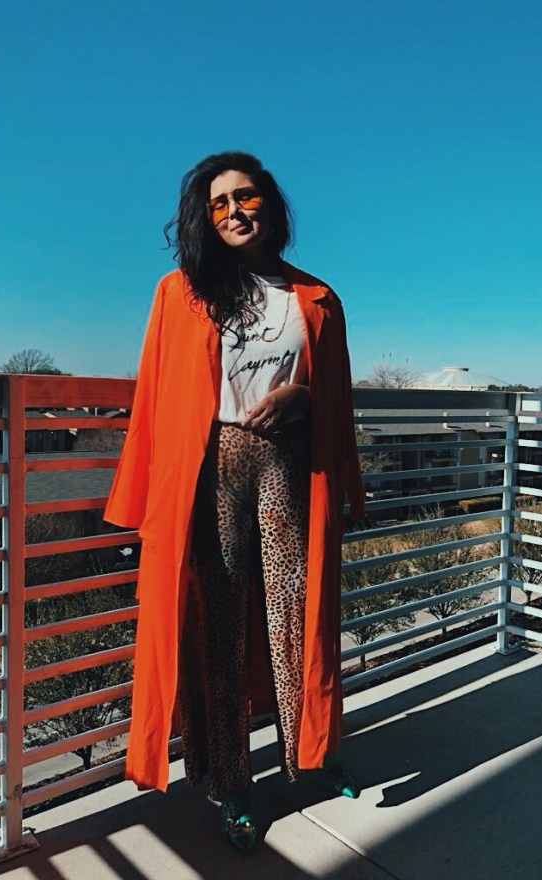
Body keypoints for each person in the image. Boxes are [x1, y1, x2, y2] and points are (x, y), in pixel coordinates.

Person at [104, 151, 364, 853]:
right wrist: (137, 504)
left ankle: (316, 749)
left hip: (292, 463)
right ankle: (234, 783)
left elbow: (336, 397)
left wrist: (303, 396)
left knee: (299, 616)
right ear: (204, 217)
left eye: (245, 197)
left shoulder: (317, 297)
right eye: (218, 203)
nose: (234, 212)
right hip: (210, 466)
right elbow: (153, 398)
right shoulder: (180, 293)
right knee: (219, 629)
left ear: (269, 204)